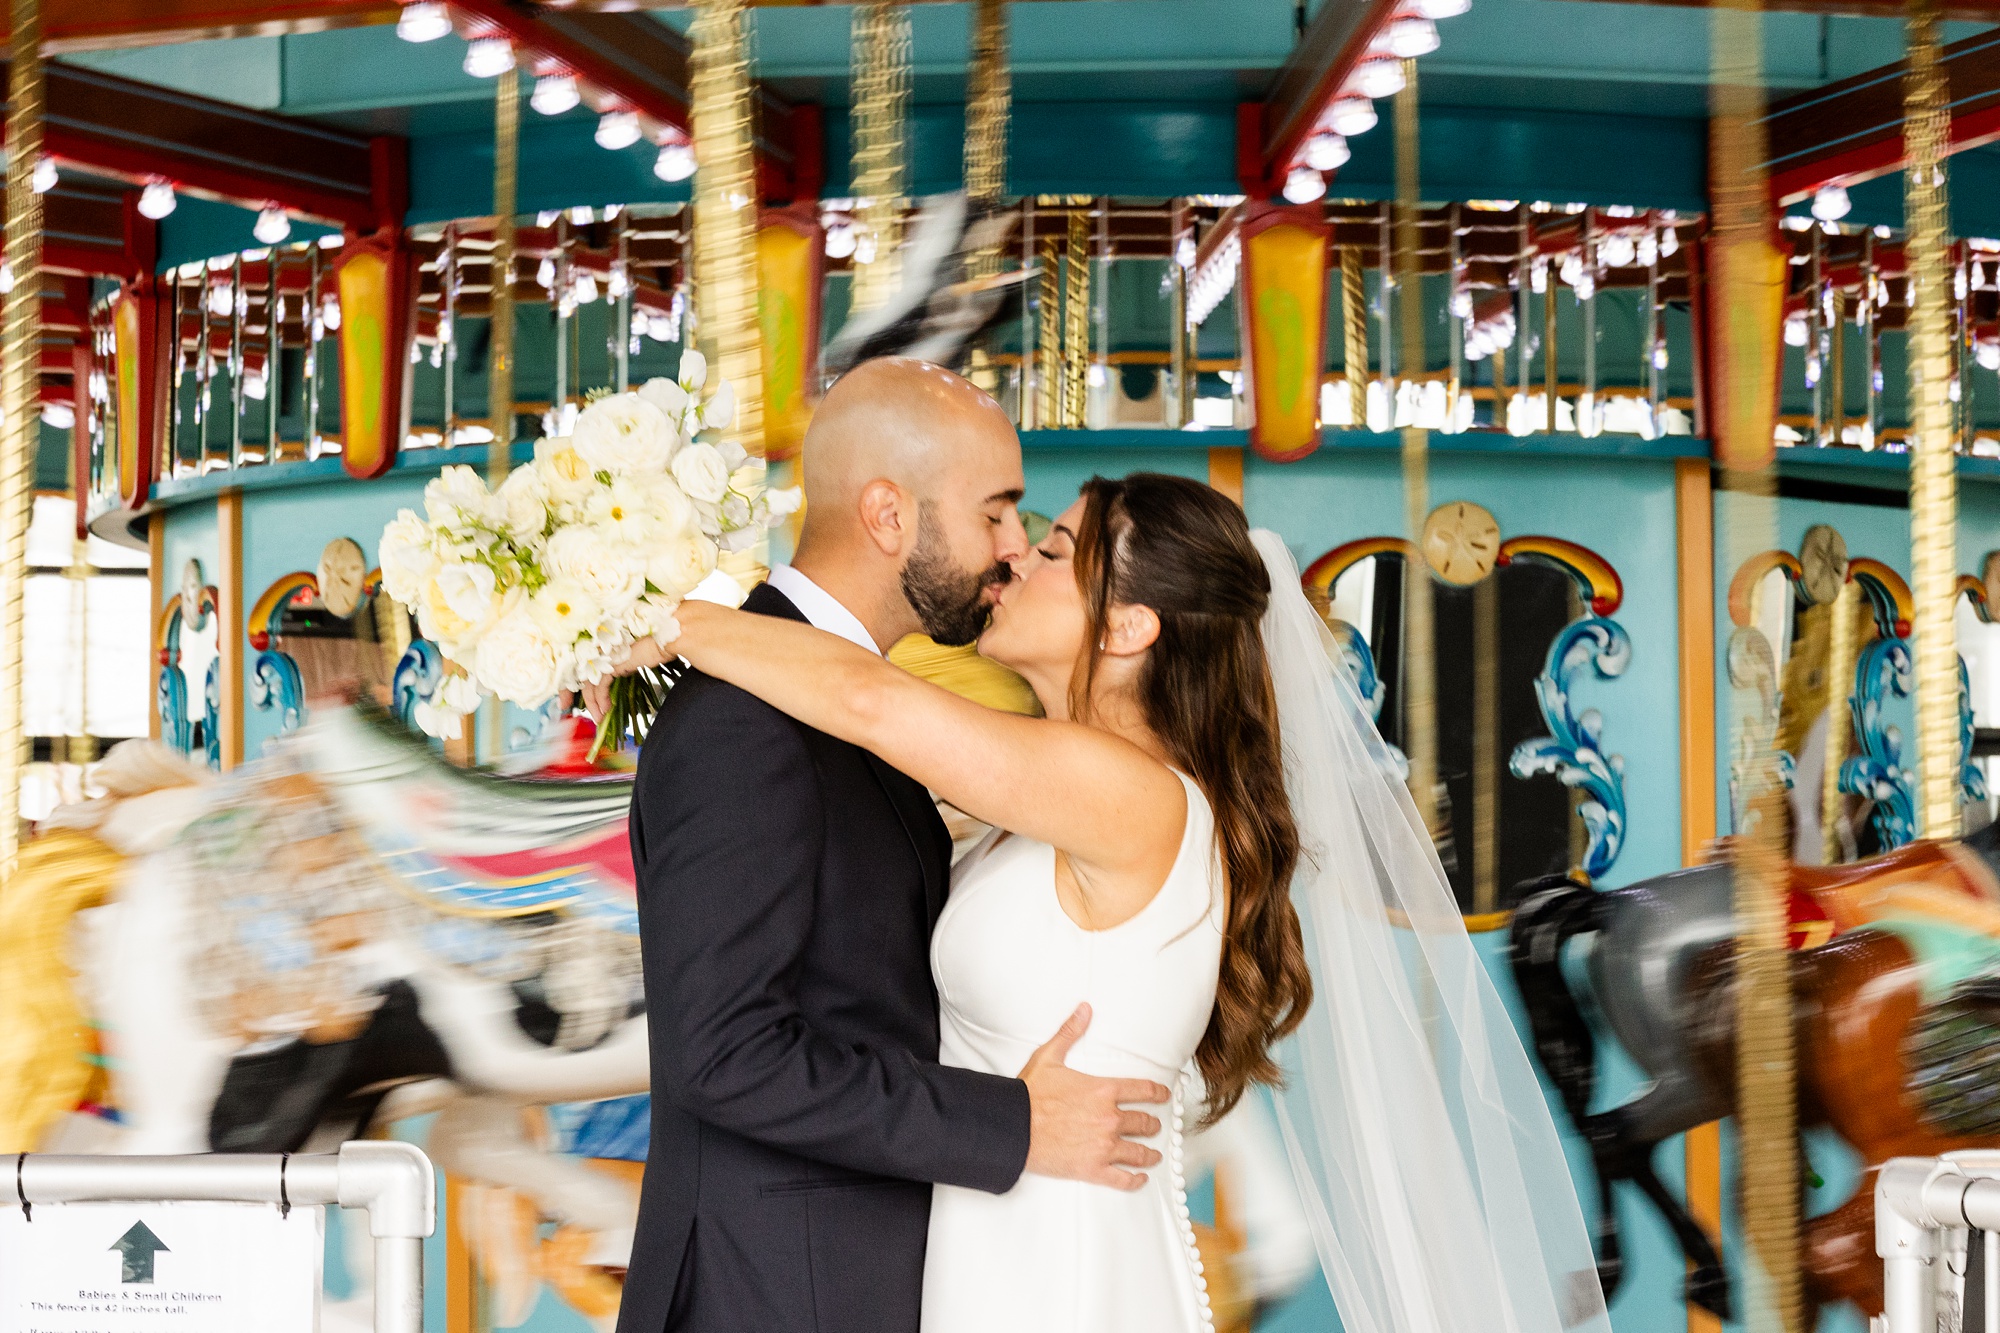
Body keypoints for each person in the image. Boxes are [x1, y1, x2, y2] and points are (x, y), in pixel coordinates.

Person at [613, 363, 1609, 1333]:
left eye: (1047, 548)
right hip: (983, 1232)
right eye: (1008, 523)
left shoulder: (1129, 795)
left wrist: (672, 616)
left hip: (1061, 1249)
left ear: (1130, 624)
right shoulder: (1035, 795)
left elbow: (870, 701)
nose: (1011, 557)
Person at [611, 358, 1173, 1333]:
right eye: (996, 512)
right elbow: (724, 1052)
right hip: (779, 1288)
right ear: (888, 515)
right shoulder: (746, 720)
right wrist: (1010, 1123)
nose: (1009, 549)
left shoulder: (854, 711)